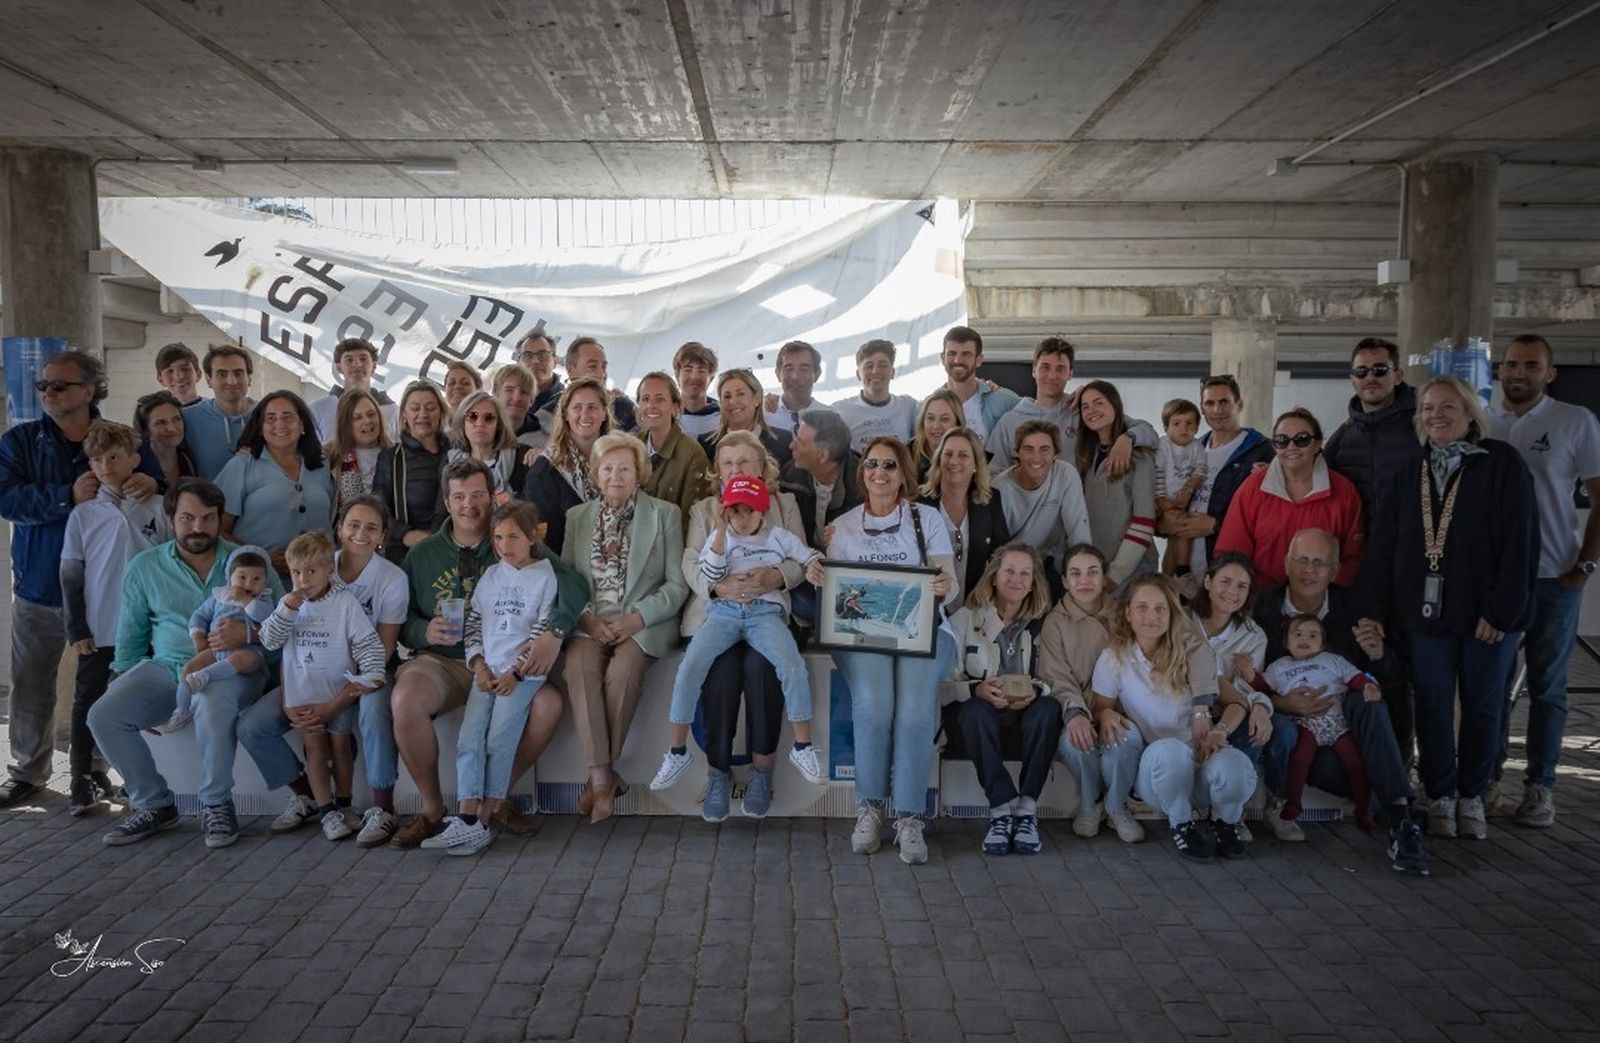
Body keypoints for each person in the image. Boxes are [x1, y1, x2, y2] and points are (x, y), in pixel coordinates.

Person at [1360, 374, 1538, 842]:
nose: (1436, 415)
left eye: (1447, 407)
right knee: (1434, 706)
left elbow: (1520, 545)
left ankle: (1472, 795)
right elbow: (1383, 547)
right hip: (1424, 615)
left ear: (1469, 414)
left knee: (1483, 706)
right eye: (1427, 408)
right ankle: (1439, 794)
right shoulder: (1408, 472)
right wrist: (1374, 609)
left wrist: (1501, 613)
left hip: (1487, 618)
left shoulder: (1502, 464)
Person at [387, 459, 585, 848]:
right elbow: (400, 618)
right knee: (405, 699)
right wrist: (421, 629)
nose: (468, 505)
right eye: (459, 496)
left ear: (491, 498)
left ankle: (490, 804)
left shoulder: (517, 543)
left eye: (477, 494)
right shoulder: (423, 554)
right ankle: (432, 811)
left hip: (512, 663)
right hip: (445, 661)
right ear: (446, 501)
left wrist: (554, 633)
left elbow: (573, 584)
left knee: (547, 706)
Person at [87, 479, 285, 847]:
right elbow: (130, 643)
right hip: (168, 668)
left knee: (210, 702)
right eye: (187, 517)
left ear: (219, 519)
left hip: (236, 668)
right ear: (171, 518)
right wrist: (123, 683)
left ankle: (216, 803)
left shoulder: (248, 562)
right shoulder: (144, 567)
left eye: (208, 518)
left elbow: (285, 628)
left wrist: (250, 637)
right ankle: (154, 803)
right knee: (103, 714)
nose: (198, 527)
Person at [0, 351, 159, 808]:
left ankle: (94, 771)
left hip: (111, 598)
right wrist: (63, 497)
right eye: (43, 386)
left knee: (107, 686)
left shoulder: (122, 440)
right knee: (31, 682)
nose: (48, 392)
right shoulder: (21, 442)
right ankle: (28, 771)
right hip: (42, 586)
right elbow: (6, 499)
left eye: (59, 385)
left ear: (89, 391)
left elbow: (152, 490)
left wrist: (153, 484)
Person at [804, 437, 958, 865]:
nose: (880, 472)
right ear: (862, 471)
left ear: (903, 472)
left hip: (923, 632)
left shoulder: (927, 519)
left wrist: (946, 586)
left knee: (913, 710)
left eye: (890, 465)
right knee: (873, 704)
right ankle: (869, 807)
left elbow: (951, 580)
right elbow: (836, 591)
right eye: (871, 464)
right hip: (861, 636)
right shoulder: (844, 525)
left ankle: (908, 816)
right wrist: (818, 573)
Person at [240, 496, 411, 846]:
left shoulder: (388, 579)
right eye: (353, 524)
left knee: (375, 709)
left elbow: (381, 647)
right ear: (340, 528)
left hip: (358, 676)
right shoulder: (312, 562)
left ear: (382, 536)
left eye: (371, 527)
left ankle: (381, 807)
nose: (360, 533)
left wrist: (337, 701)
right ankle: (312, 799)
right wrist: (291, 700)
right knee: (252, 725)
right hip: (306, 680)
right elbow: (282, 643)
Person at [1255, 528, 1426, 872]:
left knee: (1369, 697)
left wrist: (1379, 658)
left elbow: (1396, 686)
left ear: (1334, 571)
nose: (1309, 570)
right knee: (1344, 770)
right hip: (1302, 736)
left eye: (1320, 563)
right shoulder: (1262, 609)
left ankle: (1401, 824)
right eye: (1302, 560)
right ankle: (1393, 802)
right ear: (1286, 564)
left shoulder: (1354, 609)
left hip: (1353, 724)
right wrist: (1282, 703)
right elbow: (1245, 680)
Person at [1488, 333, 1600, 828]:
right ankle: (1484, 780)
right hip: (1494, 582)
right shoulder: (1484, 419)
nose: (1519, 373)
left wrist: (1585, 567)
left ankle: (1540, 787)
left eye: (1531, 365)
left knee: (1548, 687)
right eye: (1511, 364)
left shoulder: (1574, 421)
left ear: (1549, 372)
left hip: (1555, 578)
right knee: (1488, 686)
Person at [654, 476, 823, 795]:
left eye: (749, 512)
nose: (741, 520)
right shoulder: (720, 538)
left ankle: (803, 746)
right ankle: (676, 752)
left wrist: (816, 564)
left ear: (763, 511)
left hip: (765, 614)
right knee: (690, 667)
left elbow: (807, 556)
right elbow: (711, 574)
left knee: (791, 666)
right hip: (724, 614)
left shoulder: (779, 537)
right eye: (734, 512)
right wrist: (719, 531)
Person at [561, 433, 689, 823]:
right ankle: (603, 776)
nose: (616, 476)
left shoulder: (664, 514)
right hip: (590, 621)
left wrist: (636, 619)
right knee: (578, 668)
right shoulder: (576, 518)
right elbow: (567, 581)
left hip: (641, 624)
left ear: (640, 473)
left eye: (625, 469)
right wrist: (586, 618)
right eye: (607, 468)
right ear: (596, 475)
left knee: (624, 671)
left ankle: (598, 776)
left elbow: (676, 584)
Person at [681, 432, 809, 820]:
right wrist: (716, 586)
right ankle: (718, 772)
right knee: (721, 671)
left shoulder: (785, 504)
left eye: (745, 462)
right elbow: (690, 560)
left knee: (761, 669)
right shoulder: (704, 509)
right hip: (718, 613)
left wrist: (774, 577)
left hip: (767, 611)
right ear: (719, 472)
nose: (736, 469)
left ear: (763, 468)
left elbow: (800, 558)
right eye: (728, 464)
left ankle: (762, 771)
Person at [421, 502, 559, 855]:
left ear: (532, 537)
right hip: (487, 673)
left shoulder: (545, 577)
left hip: (520, 678)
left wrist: (515, 672)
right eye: (498, 537)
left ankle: (483, 818)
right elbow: (474, 624)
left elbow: (540, 634)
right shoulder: (491, 576)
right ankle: (466, 816)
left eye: (513, 536)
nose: (504, 545)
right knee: (470, 740)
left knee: (500, 740)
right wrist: (479, 665)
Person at [1086, 574, 1251, 860]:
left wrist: (1219, 731)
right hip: (1159, 774)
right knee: (1170, 752)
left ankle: (1225, 821)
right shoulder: (1115, 658)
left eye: (1160, 608)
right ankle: (1181, 823)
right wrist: (1107, 713)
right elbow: (1101, 708)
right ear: (1128, 612)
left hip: (1201, 762)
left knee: (1235, 764)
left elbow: (1238, 703)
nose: (1151, 616)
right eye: (1142, 607)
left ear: (1172, 613)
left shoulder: (1193, 655)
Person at [60, 420, 172, 815]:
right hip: (101, 624)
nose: (105, 464)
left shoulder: (158, 506)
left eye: (114, 456)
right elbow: (70, 573)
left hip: (151, 627)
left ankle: (139, 780)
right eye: (96, 458)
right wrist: (76, 625)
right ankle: (81, 778)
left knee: (143, 704)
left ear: (134, 460)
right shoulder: (83, 515)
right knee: (88, 700)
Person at [259, 531, 386, 841]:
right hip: (303, 695)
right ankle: (327, 812)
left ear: (330, 568)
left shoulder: (345, 603)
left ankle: (345, 804)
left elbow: (367, 645)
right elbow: (269, 641)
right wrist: (287, 608)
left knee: (340, 747)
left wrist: (370, 676)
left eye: (312, 571)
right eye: (296, 572)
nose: (303, 579)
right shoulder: (288, 605)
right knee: (314, 751)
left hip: (338, 692)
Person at [946, 542, 1061, 856]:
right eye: (1009, 570)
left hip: (1023, 720)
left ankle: (1025, 811)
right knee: (973, 711)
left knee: (1049, 710)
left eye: (1025, 573)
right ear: (994, 576)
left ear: (1033, 581)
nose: (1017, 579)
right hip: (979, 726)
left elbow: (1054, 679)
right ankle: (1000, 810)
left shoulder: (1043, 622)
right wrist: (976, 690)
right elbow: (942, 685)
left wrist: (1036, 691)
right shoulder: (965, 620)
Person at [1041, 544, 1143, 843]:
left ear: (1104, 578)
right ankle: (1090, 803)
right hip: (1079, 708)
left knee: (1124, 740)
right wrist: (1075, 713)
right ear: (1064, 581)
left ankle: (1116, 806)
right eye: (1075, 574)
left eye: (1092, 573)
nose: (1084, 581)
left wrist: (1112, 710)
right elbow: (1056, 676)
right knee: (1077, 742)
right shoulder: (1055, 622)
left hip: (1119, 710)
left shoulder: (1125, 615)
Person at [1216, 407, 1364, 589]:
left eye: (1302, 439)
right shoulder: (1252, 489)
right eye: (1282, 441)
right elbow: (1232, 553)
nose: (1291, 447)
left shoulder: (1344, 492)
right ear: (1274, 446)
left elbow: (1352, 559)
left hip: (1322, 605)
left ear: (1317, 444)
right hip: (1261, 601)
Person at [1260, 615, 1378, 830]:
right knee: (1300, 759)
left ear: (1322, 644)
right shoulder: (1278, 667)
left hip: (1337, 723)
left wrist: (1368, 686)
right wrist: (1248, 673)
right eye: (1298, 634)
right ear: (1286, 641)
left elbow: (1355, 677)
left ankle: (1363, 808)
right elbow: (1261, 686)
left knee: (1355, 763)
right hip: (1306, 724)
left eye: (1312, 635)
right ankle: (1293, 803)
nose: (1304, 639)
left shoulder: (1332, 660)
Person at [1187, 553, 1276, 832]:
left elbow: (1246, 689)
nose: (1232, 592)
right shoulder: (1182, 621)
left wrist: (1261, 705)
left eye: (1242, 586)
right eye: (1225, 581)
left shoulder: (1253, 635)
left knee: (1259, 726)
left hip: (1230, 711)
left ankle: (1229, 811)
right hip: (1186, 707)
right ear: (1208, 582)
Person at [1160, 374, 1274, 576]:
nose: (1217, 410)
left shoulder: (1262, 450)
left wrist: (1216, 525)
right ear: (1202, 409)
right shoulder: (1192, 448)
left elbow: (1271, 517)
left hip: (1228, 570)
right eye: (1210, 403)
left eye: (1224, 402)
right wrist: (1163, 522)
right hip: (1182, 569)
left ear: (1239, 405)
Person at [215, 390, 335, 574]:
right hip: (260, 583)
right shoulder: (242, 465)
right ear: (260, 427)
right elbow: (216, 529)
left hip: (317, 584)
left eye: (288, 417)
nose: (280, 424)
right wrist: (259, 556)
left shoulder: (323, 465)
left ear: (302, 424)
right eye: (270, 418)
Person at [163, 546, 275, 734]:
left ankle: (206, 676)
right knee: (189, 668)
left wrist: (247, 601)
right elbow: (199, 617)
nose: (249, 584)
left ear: (265, 581)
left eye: (257, 579)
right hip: (215, 650)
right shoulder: (219, 597)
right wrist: (198, 638)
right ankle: (182, 709)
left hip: (246, 650)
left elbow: (267, 619)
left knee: (249, 659)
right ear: (229, 578)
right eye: (242, 577)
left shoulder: (264, 600)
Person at [991, 420, 1092, 594]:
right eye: (1028, 449)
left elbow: (1078, 533)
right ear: (1017, 453)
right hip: (1010, 566)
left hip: (1046, 561)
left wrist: (1083, 577)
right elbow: (994, 549)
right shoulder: (998, 489)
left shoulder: (1066, 475)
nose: (1036, 458)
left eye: (1044, 449)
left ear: (1056, 453)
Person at [1323, 337, 1417, 523]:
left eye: (1380, 370)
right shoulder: (1342, 437)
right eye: (1361, 371)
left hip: (1415, 540)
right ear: (1352, 380)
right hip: (1363, 545)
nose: (1370, 378)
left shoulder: (1424, 425)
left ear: (1398, 376)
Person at [1077, 380, 1158, 593]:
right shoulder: (1086, 455)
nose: (1091, 410)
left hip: (1131, 569)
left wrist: (1115, 574)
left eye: (1099, 403)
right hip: (1099, 567)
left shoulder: (1140, 456)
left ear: (1115, 405)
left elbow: (1144, 523)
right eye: (1085, 406)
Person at [918, 427, 1010, 604]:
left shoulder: (990, 501)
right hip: (929, 603)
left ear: (976, 464)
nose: (954, 461)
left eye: (963, 455)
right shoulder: (918, 502)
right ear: (938, 459)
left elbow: (1001, 554)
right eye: (948, 454)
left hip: (973, 605)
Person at [524, 377, 614, 555]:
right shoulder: (545, 469)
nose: (585, 414)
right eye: (577, 408)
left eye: (592, 407)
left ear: (604, 413)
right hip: (567, 568)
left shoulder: (620, 460)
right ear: (565, 414)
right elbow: (541, 539)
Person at [374, 380, 450, 563]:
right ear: (404, 414)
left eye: (431, 408)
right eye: (415, 408)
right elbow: (378, 508)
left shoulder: (456, 452)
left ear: (441, 412)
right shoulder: (391, 457)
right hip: (407, 554)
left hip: (451, 550)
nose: (423, 414)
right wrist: (405, 534)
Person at [634, 370, 713, 525]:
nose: (651, 406)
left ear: (675, 407)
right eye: (645, 399)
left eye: (660, 399)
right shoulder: (631, 447)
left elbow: (691, 520)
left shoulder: (692, 454)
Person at [781, 409, 861, 548]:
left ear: (823, 456)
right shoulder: (787, 479)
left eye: (800, 442)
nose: (791, 445)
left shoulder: (865, 487)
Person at [183, 344, 257, 481]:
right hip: (210, 501)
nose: (232, 381)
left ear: (249, 378)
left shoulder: (268, 415)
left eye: (238, 373)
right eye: (222, 374)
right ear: (209, 380)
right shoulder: (186, 419)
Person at [831, 339, 918, 451]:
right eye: (869, 366)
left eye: (883, 365)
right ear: (858, 374)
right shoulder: (840, 410)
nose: (875, 371)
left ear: (892, 372)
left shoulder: (908, 406)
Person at [307, 337, 399, 443]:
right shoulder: (318, 409)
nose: (357, 364)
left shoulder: (392, 411)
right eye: (349, 360)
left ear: (374, 366)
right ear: (339, 367)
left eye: (363, 359)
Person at [446, 390, 529, 504]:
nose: (480, 423)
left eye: (489, 418)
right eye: (472, 416)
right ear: (462, 422)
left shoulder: (522, 457)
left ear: (498, 425)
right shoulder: (450, 461)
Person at [939, 325, 1018, 443]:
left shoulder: (1004, 402)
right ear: (942, 358)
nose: (957, 360)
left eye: (966, 354)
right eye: (951, 353)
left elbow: (1036, 410)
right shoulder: (928, 407)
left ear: (979, 360)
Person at [1156, 398, 1208, 577]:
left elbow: (1200, 472)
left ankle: (1182, 571)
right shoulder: (1163, 446)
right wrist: (1163, 501)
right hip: (1162, 499)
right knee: (1173, 529)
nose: (1183, 428)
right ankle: (1167, 576)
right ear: (1166, 428)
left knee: (1183, 532)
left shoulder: (1197, 447)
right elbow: (1157, 474)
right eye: (1176, 423)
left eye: (1189, 423)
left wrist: (1188, 490)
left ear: (1196, 428)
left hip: (1183, 501)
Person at [324, 387, 392, 519]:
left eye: (371, 414)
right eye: (357, 417)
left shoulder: (396, 454)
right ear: (346, 424)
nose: (367, 421)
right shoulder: (330, 456)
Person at [702, 368, 791, 467]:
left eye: (740, 394)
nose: (733, 401)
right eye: (727, 396)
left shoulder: (783, 441)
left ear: (757, 398)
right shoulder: (706, 445)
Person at [565, 336, 637, 431]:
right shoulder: (551, 410)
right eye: (592, 366)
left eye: (603, 367)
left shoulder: (623, 408)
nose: (601, 373)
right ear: (570, 370)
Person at [134, 390, 197, 488]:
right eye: (160, 422)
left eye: (176, 419)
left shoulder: (187, 457)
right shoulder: (134, 463)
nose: (171, 428)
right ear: (146, 429)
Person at [762, 339, 825, 437]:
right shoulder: (763, 416)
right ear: (778, 374)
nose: (795, 376)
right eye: (789, 369)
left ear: (817, 374)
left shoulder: (829, 417)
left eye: (804, 369)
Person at [512, 328, 565, 444]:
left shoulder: (568, 401)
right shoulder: (507, 398)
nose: (535, 361)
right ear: (518, 363)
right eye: (527, 356)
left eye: (542, 355)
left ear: (555, 361)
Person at [910, 389, 965, 481]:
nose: (936, 426)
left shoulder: (971, 455)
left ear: (957, 422)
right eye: (930, 418)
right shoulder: (906, 454)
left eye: (944, 419)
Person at [674, 341, 721, 439]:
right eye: (688, 370)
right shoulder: (666, 416)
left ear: (711, 378)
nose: (694, 377)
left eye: (701, 371)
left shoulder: (722, 418)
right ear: (678, 376)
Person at [491, 362, 539, 449]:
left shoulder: (545, 442)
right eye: (509, 390)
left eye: (524, 392)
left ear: (531, 400)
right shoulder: (478, 430)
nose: (517, 398)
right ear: (496, 393)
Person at [154, 342, 202, 406]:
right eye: (170, 371)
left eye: (185, 369)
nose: (179, 377)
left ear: (198, 374)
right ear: (160, 379)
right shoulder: (155, 415)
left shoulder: (216, 410)